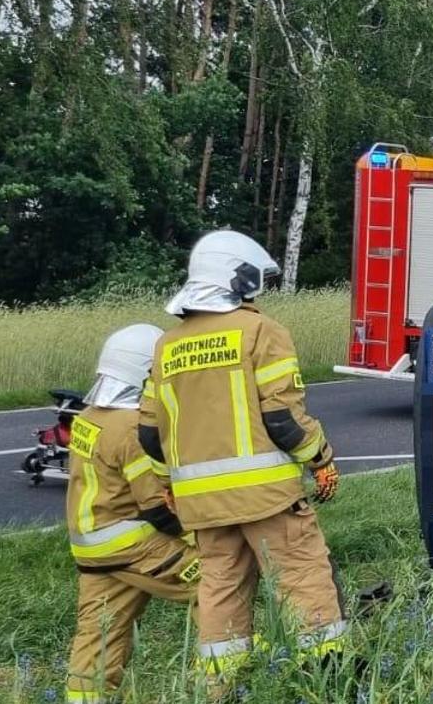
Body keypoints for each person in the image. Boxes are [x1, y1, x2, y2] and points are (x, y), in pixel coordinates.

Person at [139, 230, 343, 691]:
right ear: (238, 278)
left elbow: (150, 435)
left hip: (201, 505)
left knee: (221, 589)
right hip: (266, 497)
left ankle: (220, 688)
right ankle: (326, 679)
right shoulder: (259, 331)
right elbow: (283, 418)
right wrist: (321, 459)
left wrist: (167, 485)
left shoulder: (166, 346)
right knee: (302, 578)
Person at [65, 324, 199, 703]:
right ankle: (224, 680)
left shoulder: (88, 416)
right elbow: (156, 505)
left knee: (99, 634)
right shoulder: (129, 427)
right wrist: (196, 535)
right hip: (132, 542)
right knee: (217, 586)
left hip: (91, 549)